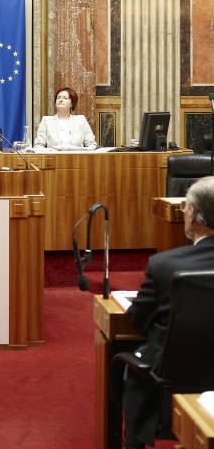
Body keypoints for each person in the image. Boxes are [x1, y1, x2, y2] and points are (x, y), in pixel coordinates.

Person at [121, 176, 214, 449]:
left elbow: (138, 323)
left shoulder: (164, 265)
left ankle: (133, 440)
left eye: (185, 207)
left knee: (128, 363)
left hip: (173, 385)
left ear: (192, 215)